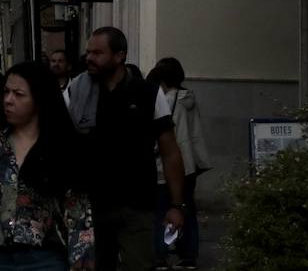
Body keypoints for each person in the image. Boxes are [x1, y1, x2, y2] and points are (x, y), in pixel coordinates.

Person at [0, 61, 93, 271]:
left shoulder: (63, 149)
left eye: (18, 94)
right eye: (6, 92)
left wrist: (82, 264)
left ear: (39, 99)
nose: (8, 100)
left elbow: (78, 216)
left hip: (44, 260)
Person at [66, 28, 186, 271]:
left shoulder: (148, 94)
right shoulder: (76, 91)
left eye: (98, 53)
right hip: (91, 206)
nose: (89, 58)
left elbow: (170, 151)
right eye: (88, 52)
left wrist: (176, 205)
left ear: (119, 56)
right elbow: (61, 142)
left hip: (136, 205)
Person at [148, 58, 211, 271]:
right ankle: (189, 256)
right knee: (187, 210)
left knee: (159, 211)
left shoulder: (165, 101)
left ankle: (160, 255)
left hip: (168, 167)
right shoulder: (189, 98)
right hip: (189, 166)